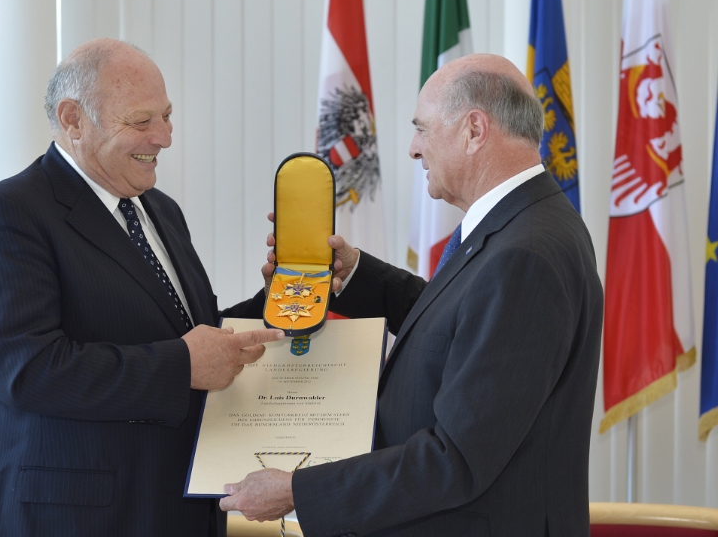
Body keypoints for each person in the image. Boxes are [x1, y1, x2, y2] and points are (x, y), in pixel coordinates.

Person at [220, 53, 603, 536]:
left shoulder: (523, 255)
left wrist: (299, 490)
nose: (412, 149)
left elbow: (455, 458)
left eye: (422, 129)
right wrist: (354, 274)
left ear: (474, 130)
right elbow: (460, 323)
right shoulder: (524, 224)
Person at [0, 38, 284, 537]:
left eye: (167, 116)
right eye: (141, 120)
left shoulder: (161, 210)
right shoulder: (7, 214)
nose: (164, 137)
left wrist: (276, 298)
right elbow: (27, 370)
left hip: (175, 509)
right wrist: (183, 365)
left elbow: (185, 331)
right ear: (73, 119)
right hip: (69, 519)